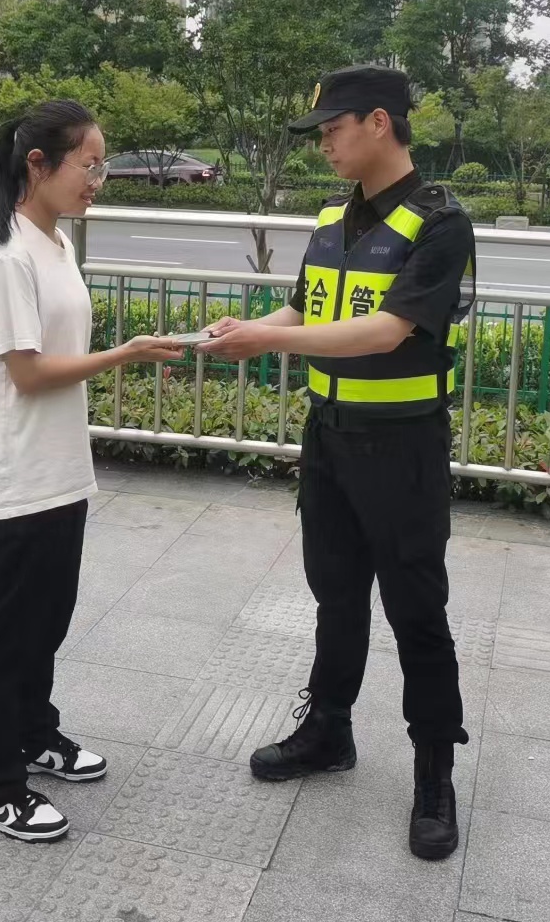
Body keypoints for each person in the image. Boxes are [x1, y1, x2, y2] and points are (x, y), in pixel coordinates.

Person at [202, 66, 476, 861]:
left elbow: (389, 331)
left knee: (417, 611)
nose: (323, 143)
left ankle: (434, 771)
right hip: (329, 438)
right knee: (336, 595)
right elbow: (304, 308)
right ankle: (329, 729)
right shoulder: (331, 218)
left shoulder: (440, 223)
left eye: (333, 129)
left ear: (379, 122)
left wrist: (270, 339)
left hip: (403, 447)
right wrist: (246, 329)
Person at [0, 100, 182, 843]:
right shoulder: (4, 256)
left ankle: (32, 734)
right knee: (1, 634)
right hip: (10, 476)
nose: (97, 180)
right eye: (89, 165)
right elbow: (27, 372)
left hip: (56, 470)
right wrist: (125, 354)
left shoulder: (53, 243)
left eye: (101, 166)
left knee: (44, 622)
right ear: (38, 164)